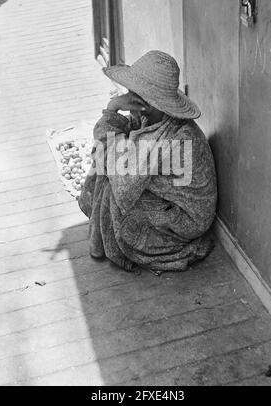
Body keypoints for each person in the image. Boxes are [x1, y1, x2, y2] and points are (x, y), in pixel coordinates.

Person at [78, 50, 217, 273]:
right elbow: (116, 144)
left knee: (114, 192)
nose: (129, 96)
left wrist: (112, 108)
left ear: (148, 102)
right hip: (169, 202)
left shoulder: (176, 138)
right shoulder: (152, 118)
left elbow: (122, 184)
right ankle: (102, 236)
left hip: (186, 218)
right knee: (104, 164)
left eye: (133, 93)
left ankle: (124, 244)